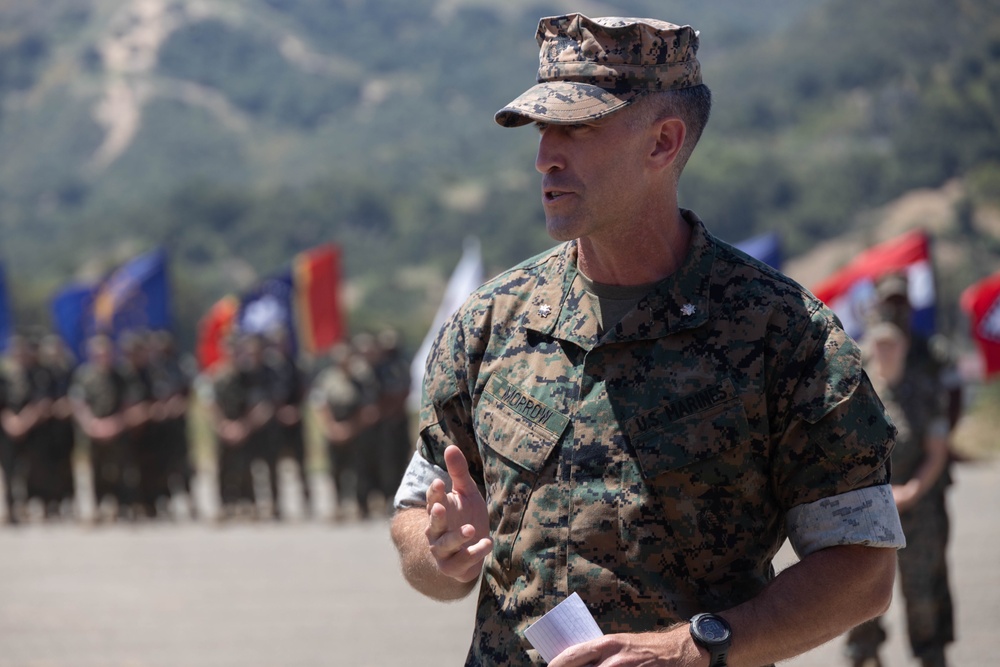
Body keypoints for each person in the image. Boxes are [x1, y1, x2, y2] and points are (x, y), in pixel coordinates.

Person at [390, 14, 903, 667]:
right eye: (540, 128)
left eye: (577, 128)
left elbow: (861, 570)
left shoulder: (784, 333)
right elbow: (415, 521)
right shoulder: (491, 323)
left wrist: (690, 647)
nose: (546, 153)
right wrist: (441, 553)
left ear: (662, 143)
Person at [844, 322, 954, 667]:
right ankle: (865, 655)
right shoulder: (854, 390)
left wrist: (911, 491)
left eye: (892, 343)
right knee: (862, 595)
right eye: (880, 344)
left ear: (905, 346)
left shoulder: (923, 390)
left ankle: (931, 655)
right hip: (868, 513)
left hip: (916, 510)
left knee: (923, 593)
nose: (886, 351)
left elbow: (937, 450)